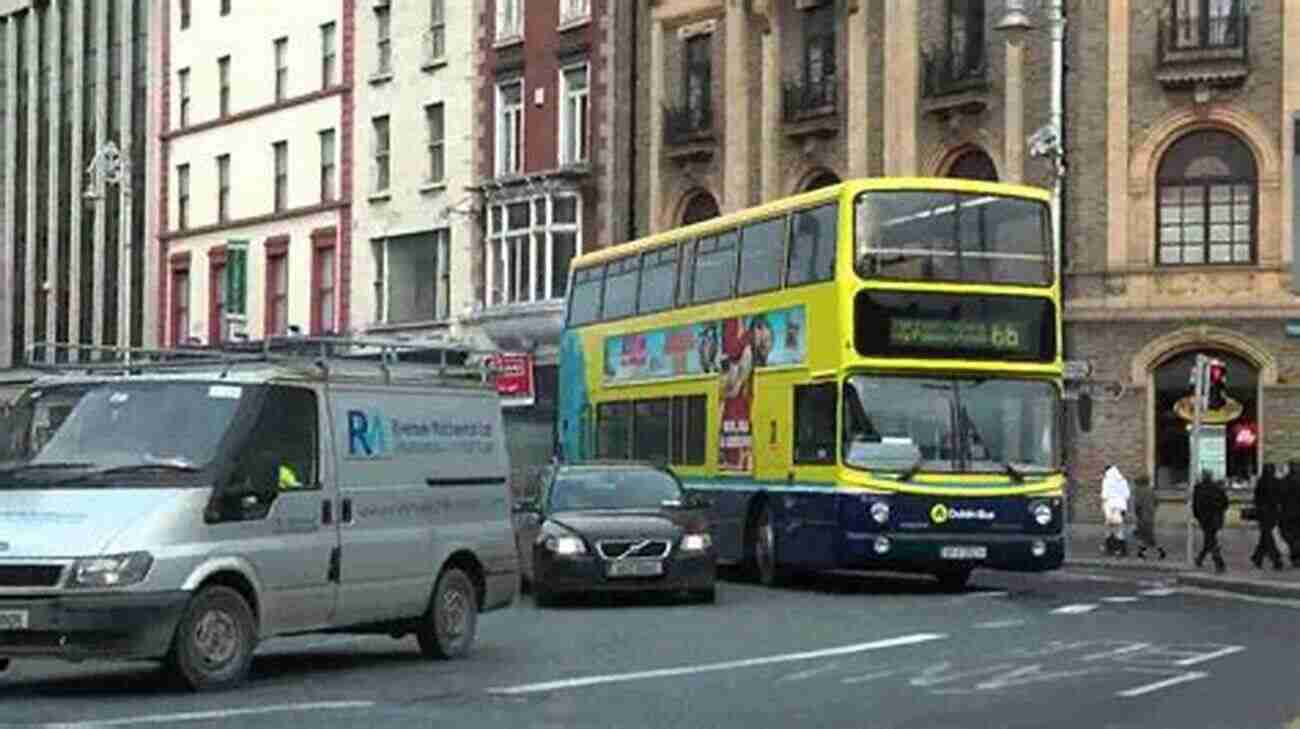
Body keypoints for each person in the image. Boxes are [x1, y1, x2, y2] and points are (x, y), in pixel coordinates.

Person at [1192, 472, 1229, 573]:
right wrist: (1220, 511)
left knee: (1210, 540)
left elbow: (1195, 505)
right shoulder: (1217, 488)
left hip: (1204, 518)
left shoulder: (1198, 488)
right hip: (1216, 518)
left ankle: (1219, 563)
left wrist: (1197, 516)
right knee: (1210, 538)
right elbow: (1225, 503)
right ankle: (1200, 559)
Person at [1250, 463, 1285, 570]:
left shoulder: (1261, 482)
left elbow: (1256, 498)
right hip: (1273, 512)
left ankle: (1258, 557)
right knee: (1267, 536)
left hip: (1263, 513)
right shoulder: (1276, 482)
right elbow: (1280, 498)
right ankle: (1275, 559)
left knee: (1265, 535)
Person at [1101, 465, 1131, 557]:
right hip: (1121, 507)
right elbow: (1127, 495)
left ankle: (1110, 548)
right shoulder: (1123, 480)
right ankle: (1121, 549)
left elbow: (1104, 495)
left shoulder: (1107, 481)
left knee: (1109, 528)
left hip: (1110, 507)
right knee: (1119, 529)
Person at [1279, 459, 1300, 566]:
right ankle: (1296, 554)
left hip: (1287, 513)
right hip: (1294, 513)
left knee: (1289, 535)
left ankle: (1295, 555)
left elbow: (1279, 497)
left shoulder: (1284, 481)